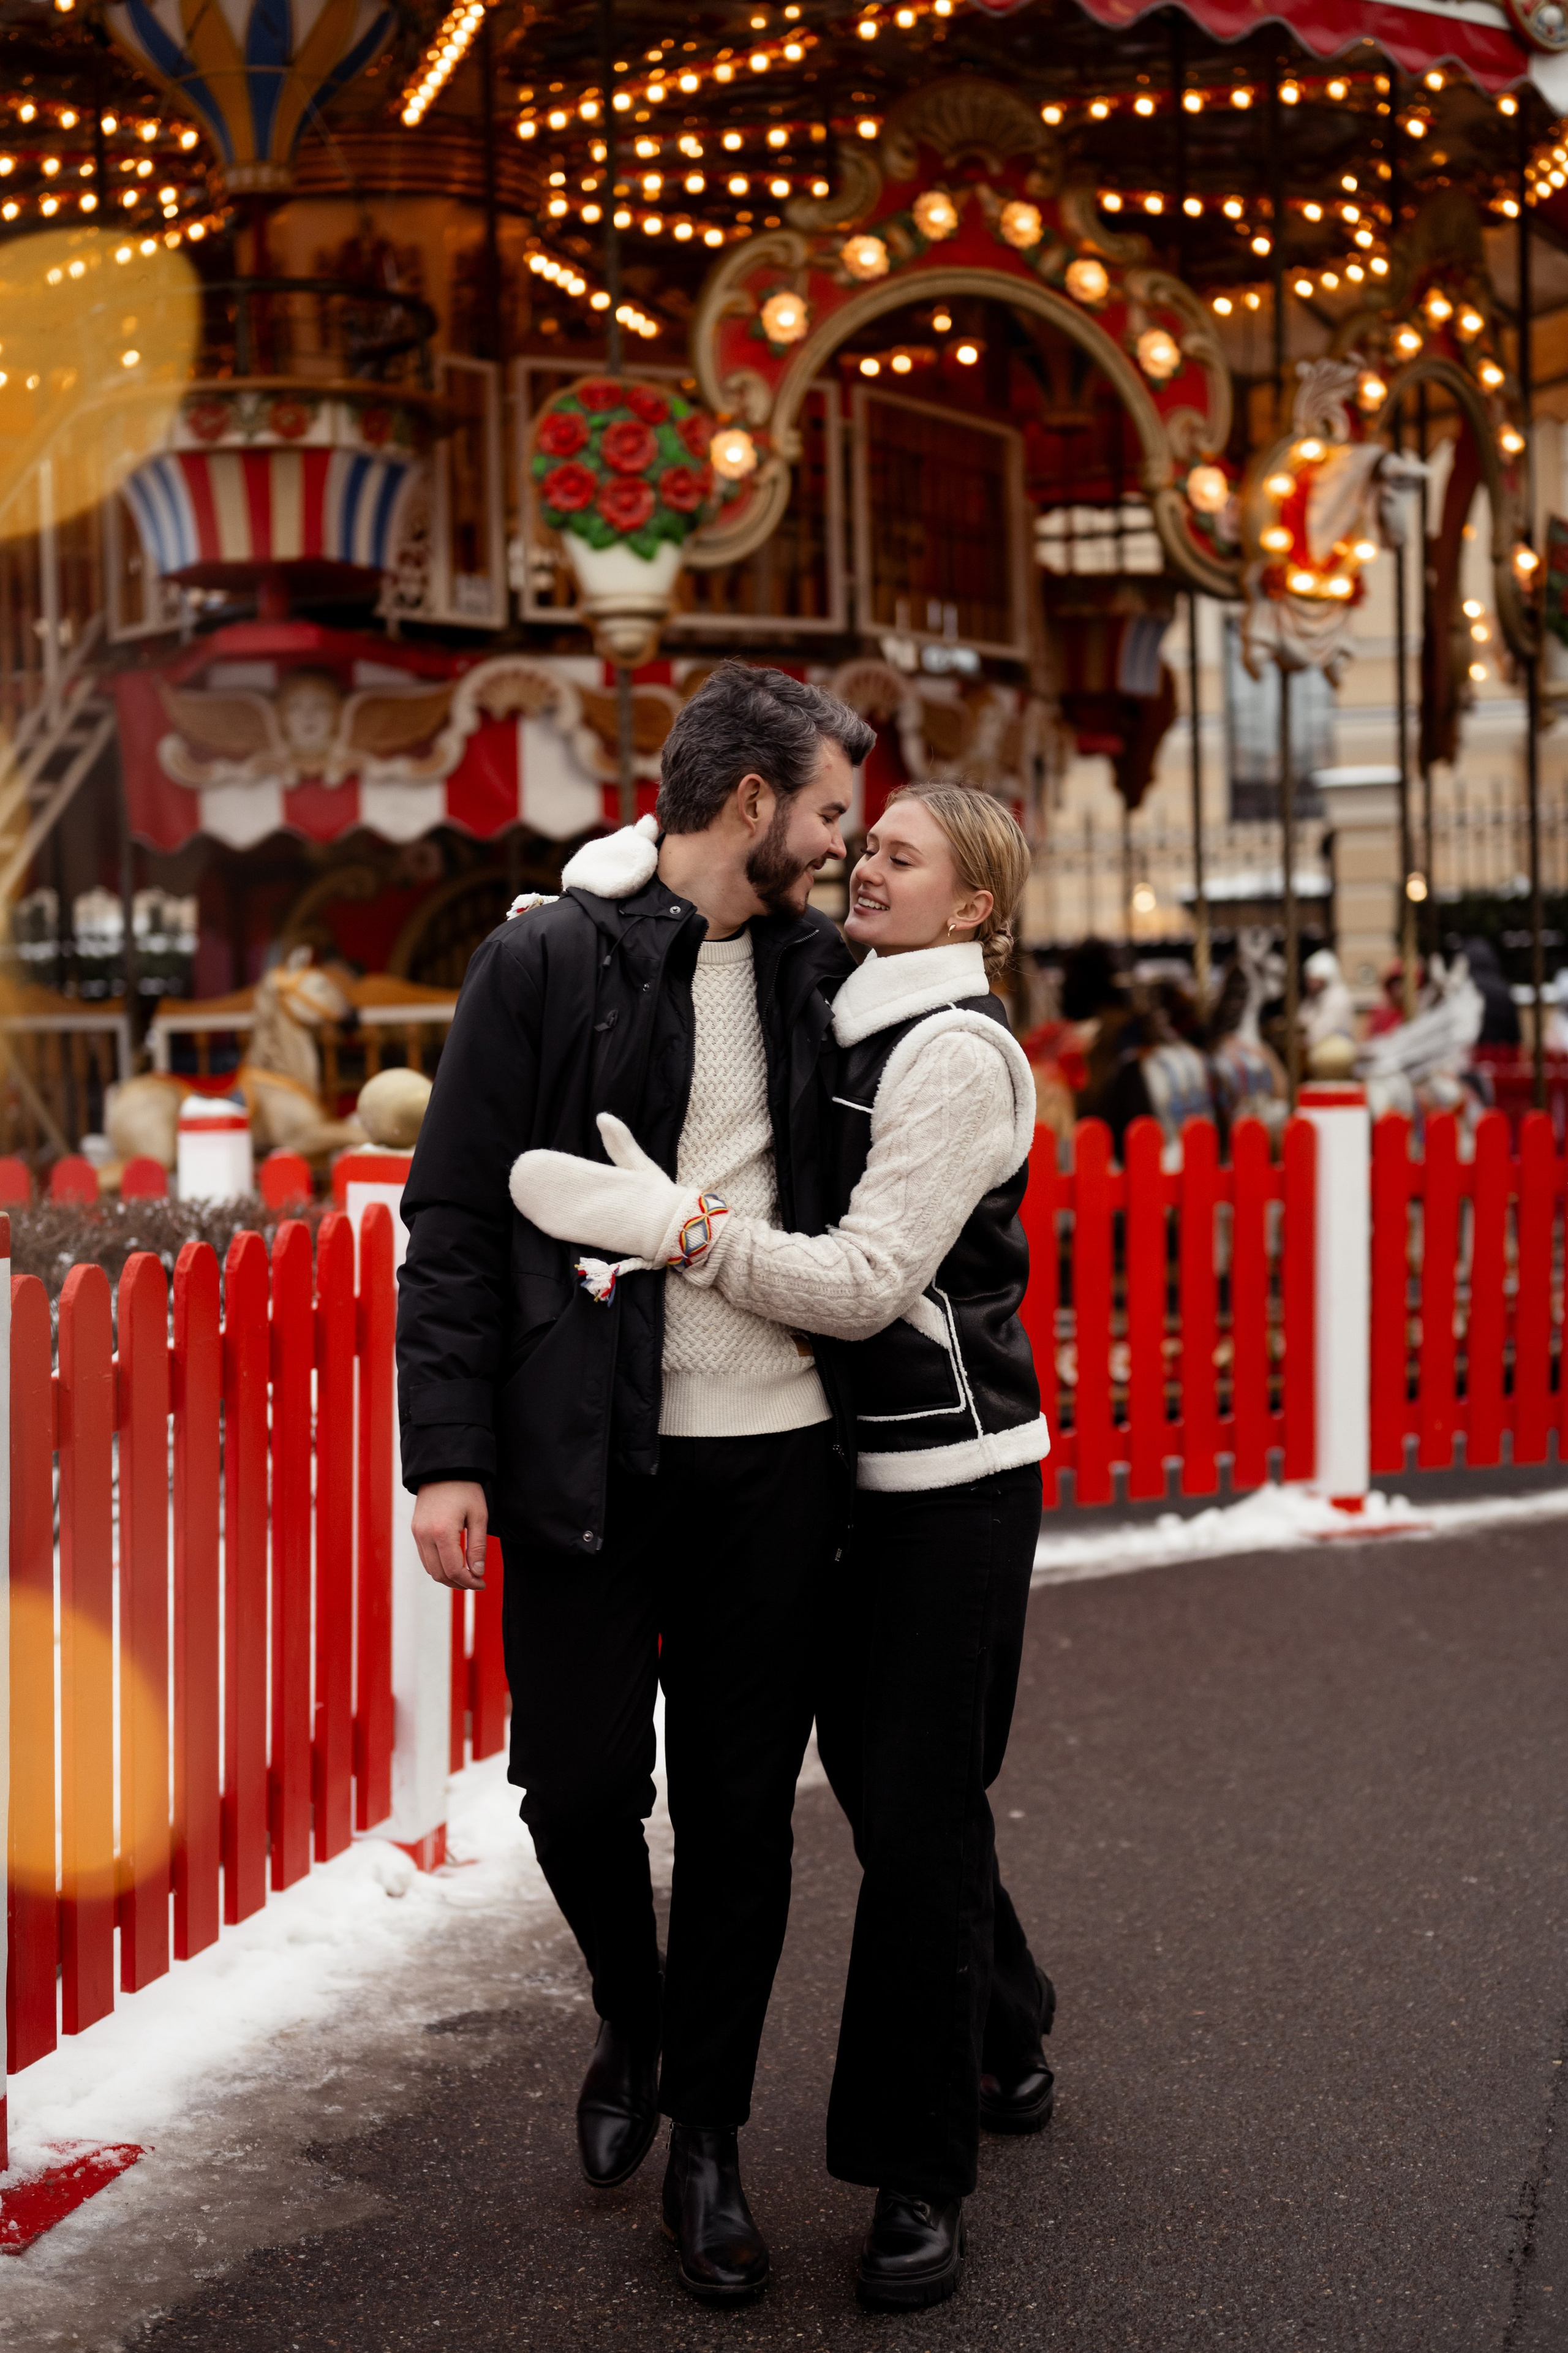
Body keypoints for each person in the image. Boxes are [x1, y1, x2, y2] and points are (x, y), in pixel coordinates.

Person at [514, 783, 1054, 2314]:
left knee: (919, 1816)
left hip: (946, 1475)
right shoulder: (841, 1001)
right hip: (845, 1470)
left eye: (898, 854)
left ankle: (915, 2174)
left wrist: (680, 1233)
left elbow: (874, 1279)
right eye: (858, 838)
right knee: (900, 1786)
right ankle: (1008, 2019)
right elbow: (693, 894)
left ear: (968, 911)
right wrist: (569, 913)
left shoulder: (950, 1052)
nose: (859, 863)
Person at [396, 663, 873, 2303]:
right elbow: (455, 1218)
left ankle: (715, 2143)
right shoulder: (544, 959)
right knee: (581, 1787)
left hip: (779, 1466)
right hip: (588, 1456)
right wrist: (449, 1456)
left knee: (744, 1811)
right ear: (749, 803)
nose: (837, 849)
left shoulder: (833, 977)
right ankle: (637, 2010)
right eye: (823, 814)